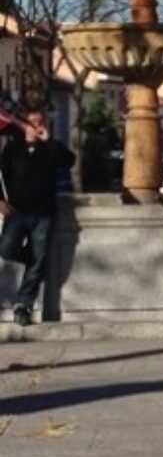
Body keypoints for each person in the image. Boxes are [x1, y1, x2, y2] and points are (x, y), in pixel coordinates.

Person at [0, 109, 74, 326]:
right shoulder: (13, 149)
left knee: (38, 258)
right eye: (31, 122)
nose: (35, 126)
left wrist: (49, 140)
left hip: (43, 212)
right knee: (6, 248)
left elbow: (68, 161)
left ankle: (23, 304)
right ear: (24, 126)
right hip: (17, 211)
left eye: (39, 122)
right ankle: (35, 262)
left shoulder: (50, 149)